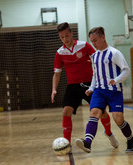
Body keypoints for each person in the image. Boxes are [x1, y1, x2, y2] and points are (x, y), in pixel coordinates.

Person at [51, 22, 119, 150]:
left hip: (90, 84)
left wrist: (93, 62)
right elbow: (57, 74)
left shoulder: (84, 45)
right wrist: (54, 89)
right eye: (62, 37)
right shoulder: (59, 53)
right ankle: (67, 144)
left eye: (67, 36)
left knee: (102, 113)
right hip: (72, 87)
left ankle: (109, 133)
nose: (65, 39)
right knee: (66, 111)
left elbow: (98, 57)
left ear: (71, 33)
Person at [75, 26, 133, 153]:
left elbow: (126, 70)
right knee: (94, 113)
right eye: (91, 41)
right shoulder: (95, 56)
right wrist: (92, 88)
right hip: (99, 91)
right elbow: (95, 74)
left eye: (95, 40)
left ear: (103, 37)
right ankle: (87, 143)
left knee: (118, 119)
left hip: (114, 91)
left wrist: (117, 79)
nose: (93, 43)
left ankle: (131, 139)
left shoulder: (114, 53)